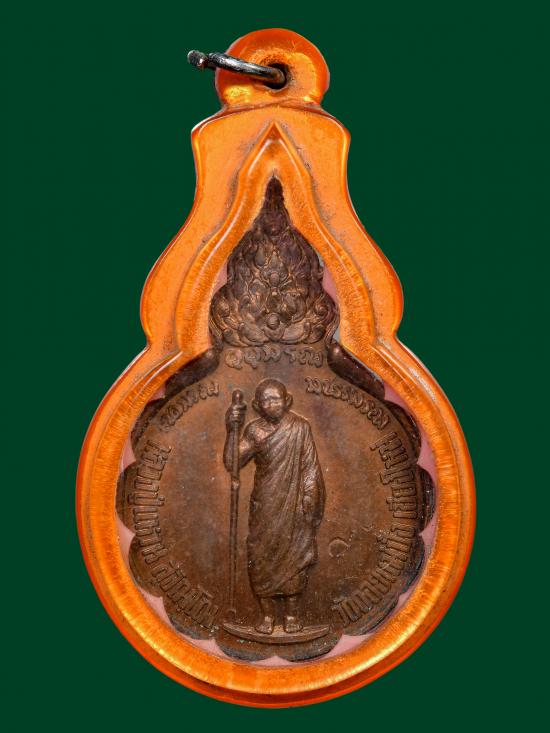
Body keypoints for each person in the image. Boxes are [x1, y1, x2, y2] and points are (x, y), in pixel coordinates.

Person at [224, 378, 325, 634]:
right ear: (257, 406)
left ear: (287, 400)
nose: (271, 404)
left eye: (276, 399)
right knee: (261, 555)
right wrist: (231, 429)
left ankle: (291, 615)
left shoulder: (300, 427)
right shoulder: (254, 431)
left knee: (295, 554)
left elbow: (310, 466)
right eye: (266, 400)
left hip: (295, 504)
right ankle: (267, 616)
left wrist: (310, 497)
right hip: (265, 505)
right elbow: (232, 462)